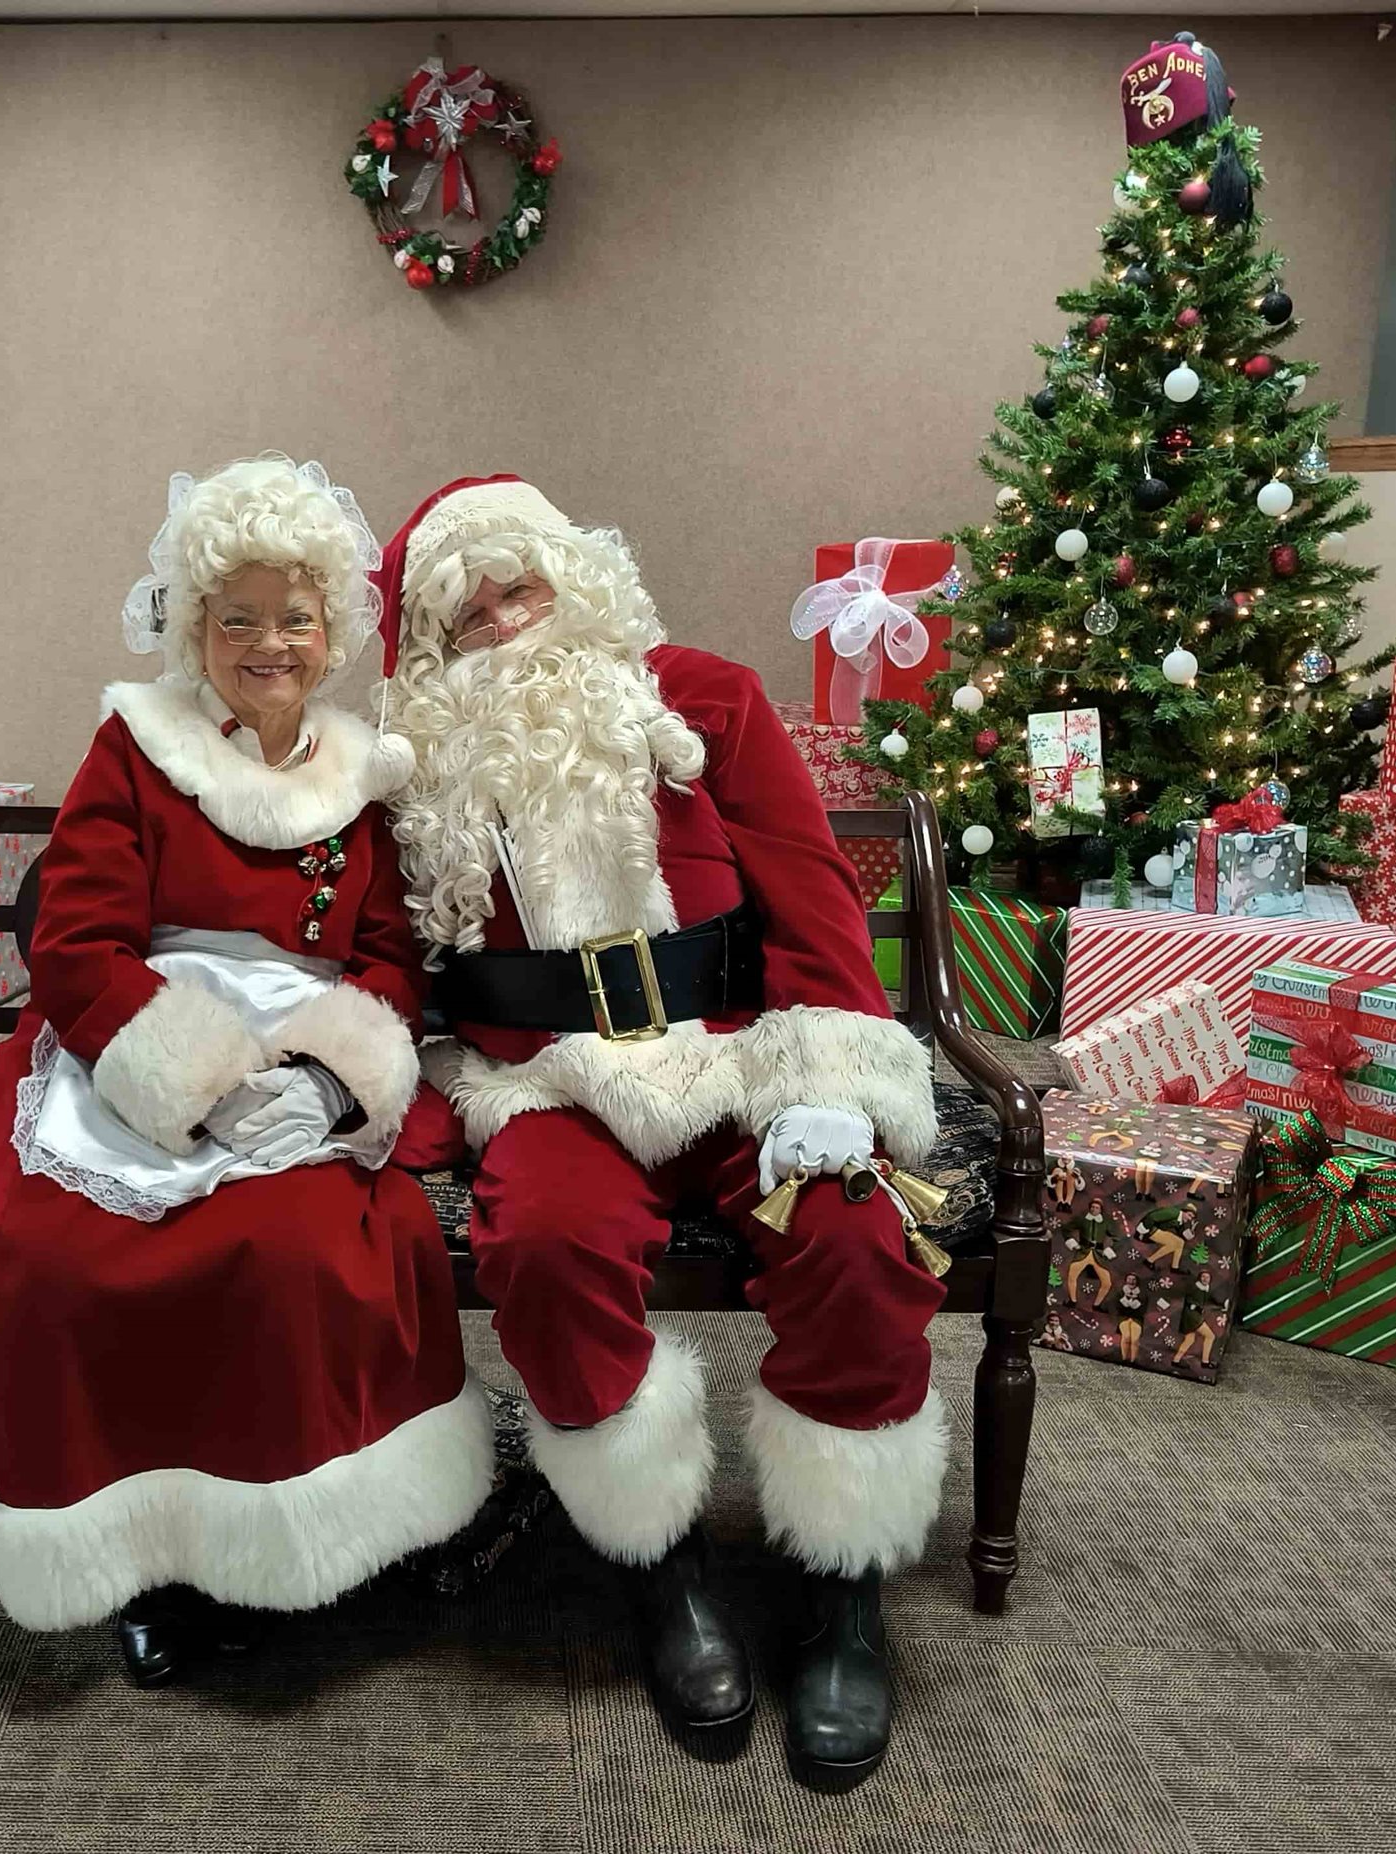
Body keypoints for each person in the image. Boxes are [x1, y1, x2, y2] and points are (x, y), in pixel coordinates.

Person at [0, 456, 494, 1685]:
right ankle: (145, 1553)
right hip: (127, 1043)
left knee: (298, 1252)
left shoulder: (366, 773)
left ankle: (280, 1536)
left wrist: (327, 1076)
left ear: (332, 631)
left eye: (292, 617)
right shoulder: (136, 747)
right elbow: (75, 943)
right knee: (36, 1252)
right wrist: (183, 1075)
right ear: (191, 627)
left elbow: (392, 961)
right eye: (235, 617)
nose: (267, 644)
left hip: (301, 1069)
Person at [378, 475, 948, 1790]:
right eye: (469, 616)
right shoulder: (415, 766)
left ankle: (844, 1585)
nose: (507, 623)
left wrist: (829, 1082)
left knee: (859, 1237)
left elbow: (812, 901)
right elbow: (385, 960)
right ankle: (665, 1563)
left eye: (521, 587)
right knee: (547, 1249)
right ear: (431, 648)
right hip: (551, 1084)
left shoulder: (708, 694)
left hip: (747, 1061)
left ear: (572, 577)